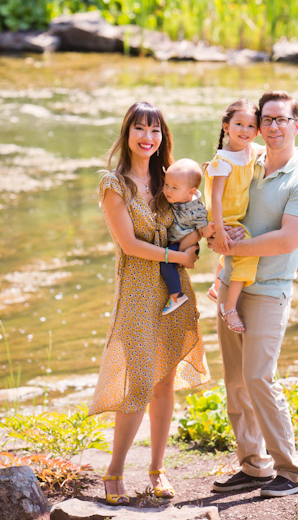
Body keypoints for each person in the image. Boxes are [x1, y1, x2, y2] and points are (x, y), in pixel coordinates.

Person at [93, 102, 210, 506]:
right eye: (140, 128)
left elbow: (201, 209)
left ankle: (158, 469)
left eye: (155, 130)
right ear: (127, 134)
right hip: (138, 293)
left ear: (163, 137)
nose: (148, 137)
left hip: (174, 293)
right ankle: (114, 472)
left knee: (164, 382)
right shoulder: (115, 184)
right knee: (137, 383)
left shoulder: (170, 180)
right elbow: (129, 244)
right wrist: (179, 257)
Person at [209, 90, 298, 498]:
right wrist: (221, 254)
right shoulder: (249, 161)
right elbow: (226, 206)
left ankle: (290, 472)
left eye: (281, 119)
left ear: (296, 125)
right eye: (267, 119)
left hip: (269, 291)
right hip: (231, 286)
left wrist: (232, 247)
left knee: (259, 377)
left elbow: (286, 240)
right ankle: (254, 466)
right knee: (236, 381)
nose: (272, 126)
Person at [204, 99, 265, 333]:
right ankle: (229, 306)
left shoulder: (251, 150)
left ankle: (216, 286)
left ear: (257, 131)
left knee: (239, 251)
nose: (245, 130)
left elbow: (270, 150)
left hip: (236, 217)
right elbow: (216, 198)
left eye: (251, 126)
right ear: (226, 126)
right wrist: (219, 231)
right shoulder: (224, 161)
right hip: (224, 218)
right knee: (249, 252)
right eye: (239, 124)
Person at [160, 158, 214, 315]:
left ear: (191, 191)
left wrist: (209, 229)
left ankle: (176, 295)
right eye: (166, 185)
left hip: (184, 243)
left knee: (165, 263)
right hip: (175, 239)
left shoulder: (197, 210)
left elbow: (202, 231)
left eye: (174, 187)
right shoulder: (175, 198)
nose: (168, 190)